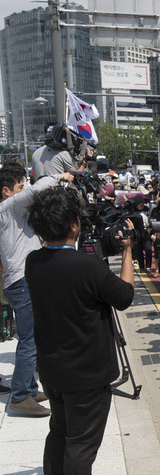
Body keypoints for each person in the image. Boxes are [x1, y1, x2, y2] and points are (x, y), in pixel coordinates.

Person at [25, 186, 134, 475]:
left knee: (59, 431)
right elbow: (125, 296)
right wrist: (128, 252)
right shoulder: (87, 266)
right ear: (74, 225)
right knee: (81, 443)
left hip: (52, 368)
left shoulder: (33, 261)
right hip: (87, 371)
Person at [0, 163, 73, 417]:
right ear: (7, 191)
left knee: (32, 338)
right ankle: (20, 396)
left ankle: (29, 388)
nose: (26, 190)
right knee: (29, 341)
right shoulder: (8, 207)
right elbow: (37, 190)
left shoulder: (12, 212)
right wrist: (59, 176)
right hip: (21, 282)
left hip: (22, 281)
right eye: (21, 186)